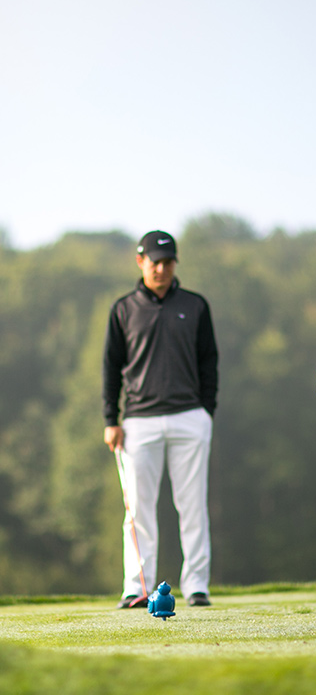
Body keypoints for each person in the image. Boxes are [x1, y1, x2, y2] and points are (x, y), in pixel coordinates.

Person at [103, 230, 219, 608]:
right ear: (140, 261)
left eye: (168, 262)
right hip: (138, 421)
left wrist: (206, 411)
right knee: (138, 510)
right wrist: (111, 418)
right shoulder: (123, 309)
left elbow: (209, 362)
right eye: (155, 261)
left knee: (193, 505)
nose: (162, 268)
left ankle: (197, 586)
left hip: (190, 417)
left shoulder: (195, 305)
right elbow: (110, 368)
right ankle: (136, 587)